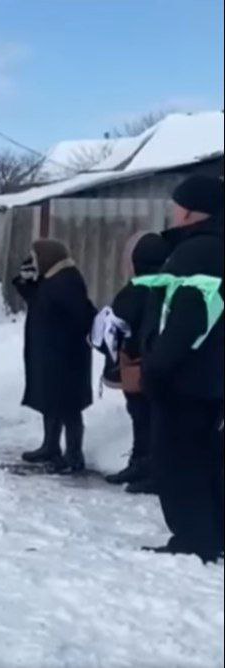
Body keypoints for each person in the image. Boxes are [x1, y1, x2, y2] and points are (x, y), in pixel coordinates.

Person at [136, 174, 223, 562]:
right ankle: (210, 532)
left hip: (187, 378)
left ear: (188, 210)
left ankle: (193, 538)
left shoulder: (197, 253)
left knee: (178, 459)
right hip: (210, 378)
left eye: (176, 205)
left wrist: (157, 367)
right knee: (206, 456)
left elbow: (187, 318)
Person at [93, 233, 169, 493]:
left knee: (141, 416)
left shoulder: (134, 290)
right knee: (158, 417)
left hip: (135, 364)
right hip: (166, 364)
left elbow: (112, 330)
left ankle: (144, 466)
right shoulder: (173, 286)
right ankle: (150, 467)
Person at [14, 239, 97, 475]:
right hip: (50, 353)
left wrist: (62, 340)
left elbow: (80, 317)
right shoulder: (51, 279)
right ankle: (50, 446)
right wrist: (25, 279)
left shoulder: (67, 281)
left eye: (35, 257)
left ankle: (74, 455)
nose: (33, 261)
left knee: (69, 406)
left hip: (66, 356)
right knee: (50, 401)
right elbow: (35, 298)